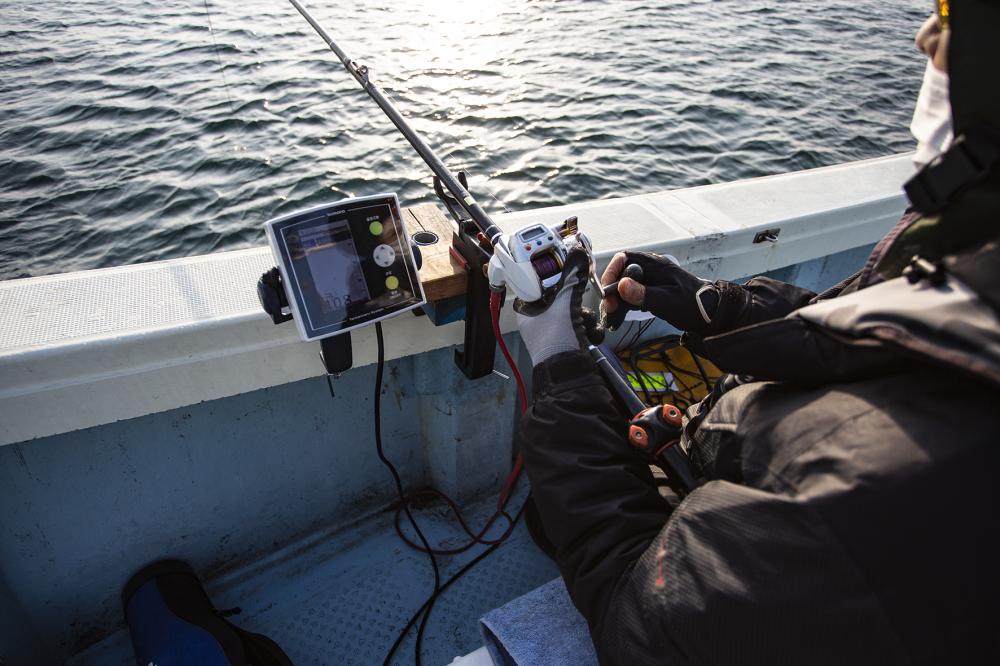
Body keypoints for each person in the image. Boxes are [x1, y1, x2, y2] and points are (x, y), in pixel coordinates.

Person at [513, 2, 1000, 664]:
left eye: (952, 17)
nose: (924, 38)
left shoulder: (837, 512)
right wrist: (723, 307)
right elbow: (877, 340)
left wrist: (557, 366)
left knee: (551, 516)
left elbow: (638, 619)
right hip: (737, 479)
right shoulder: (971, 279)